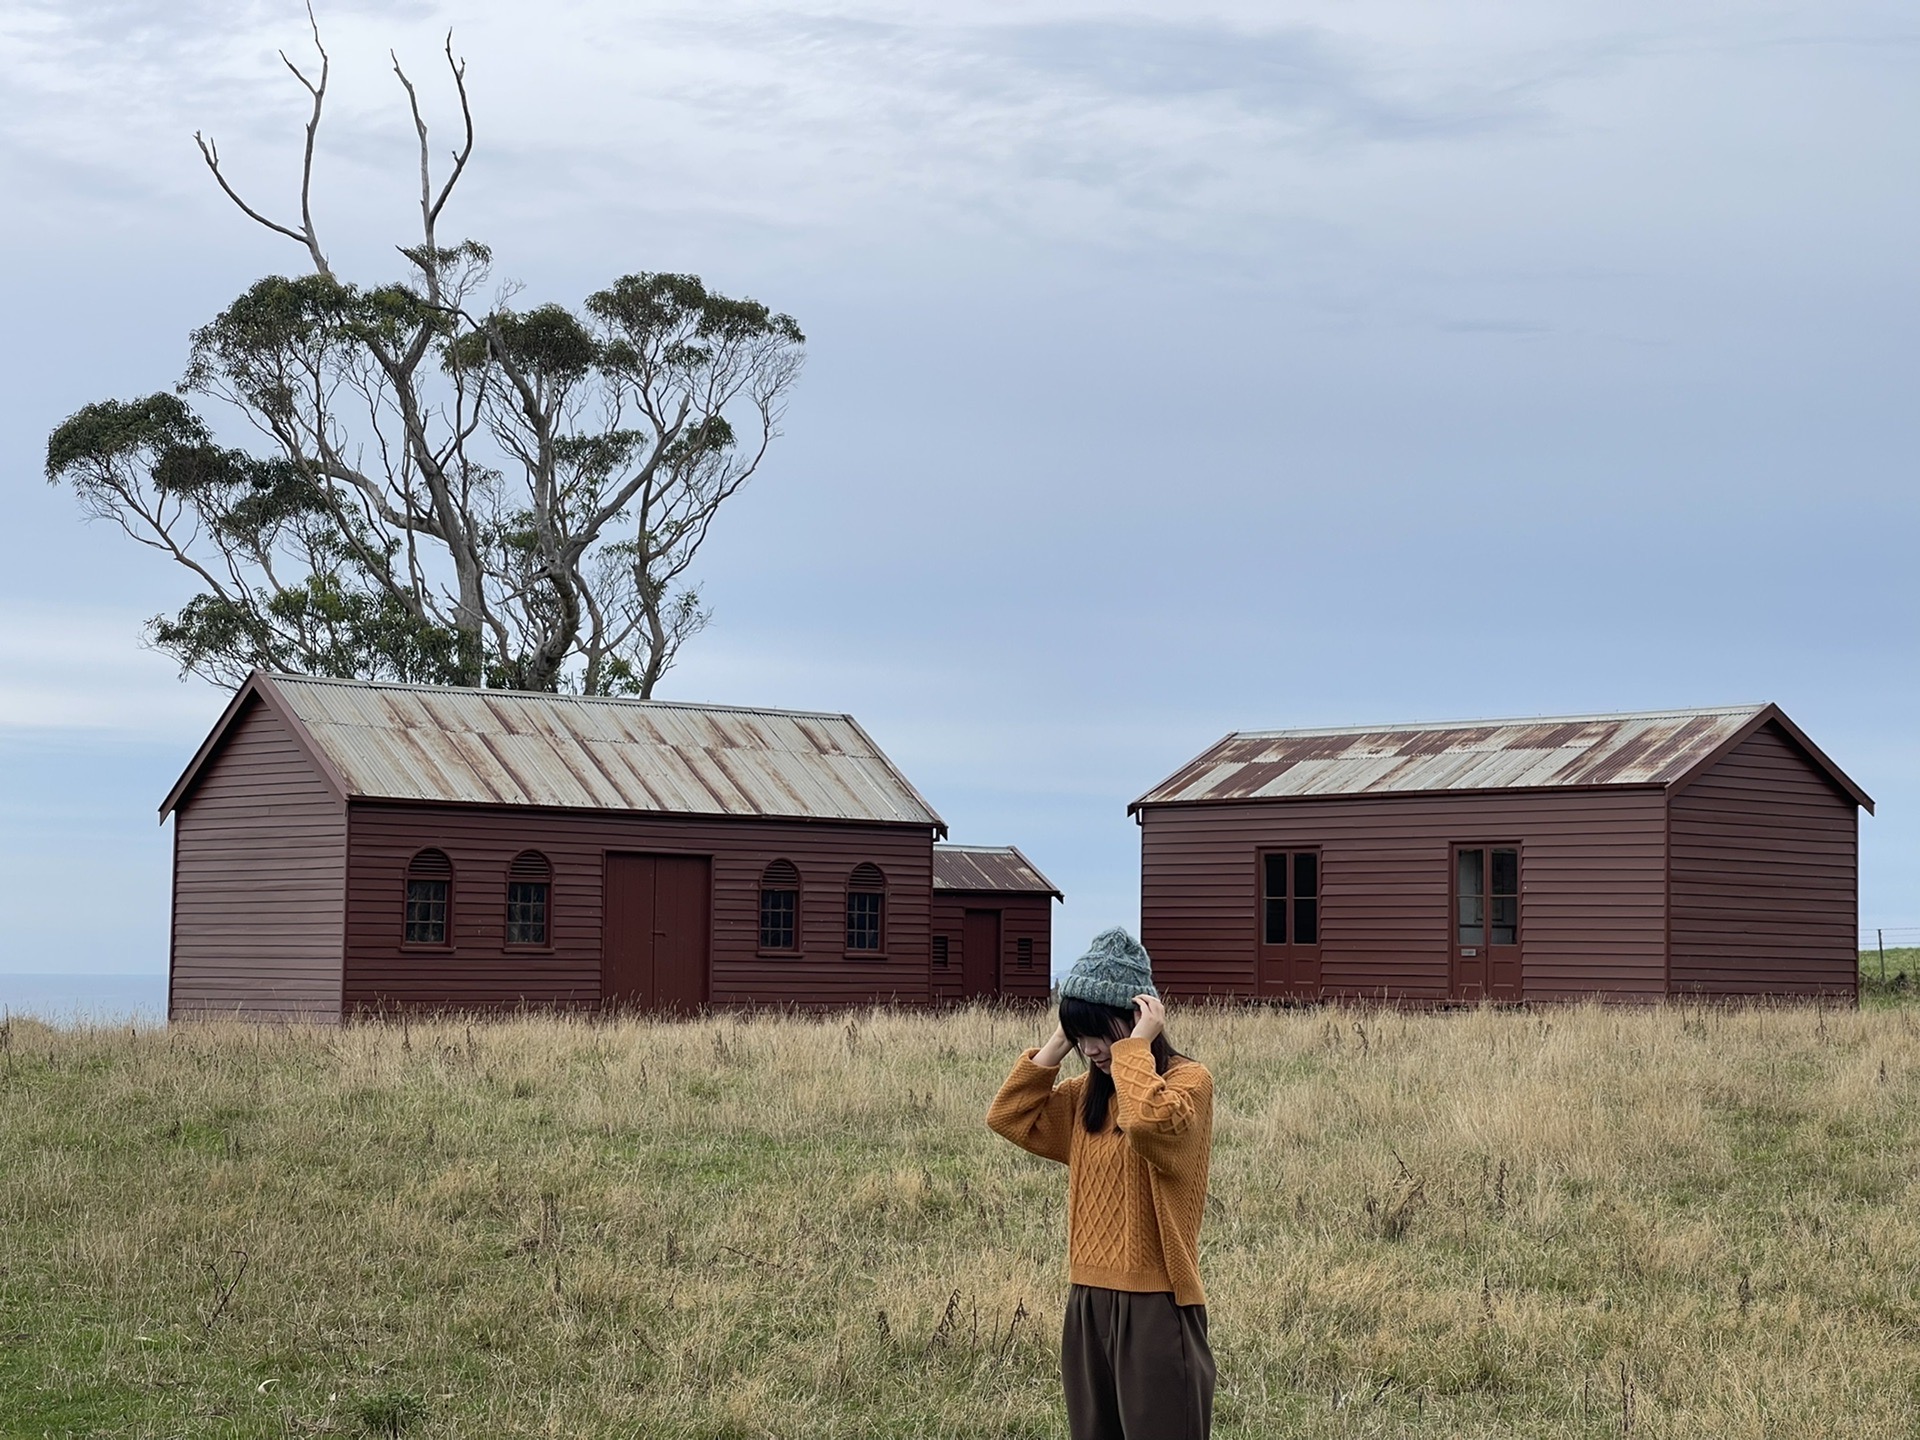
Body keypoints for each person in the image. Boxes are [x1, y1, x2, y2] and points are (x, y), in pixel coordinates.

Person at [986, 927, 1216, 1440]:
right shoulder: (1082, 1097)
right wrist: (1062, 1034)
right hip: (1087, 1303)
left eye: (1098, 1033)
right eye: (1080, 1037)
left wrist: (1134, 1047)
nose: (1090, 1049)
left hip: (1157, 1306)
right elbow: (1007, 1116)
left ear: (1139, 1018)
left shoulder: (1187, 1084)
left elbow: (1146, 1124)